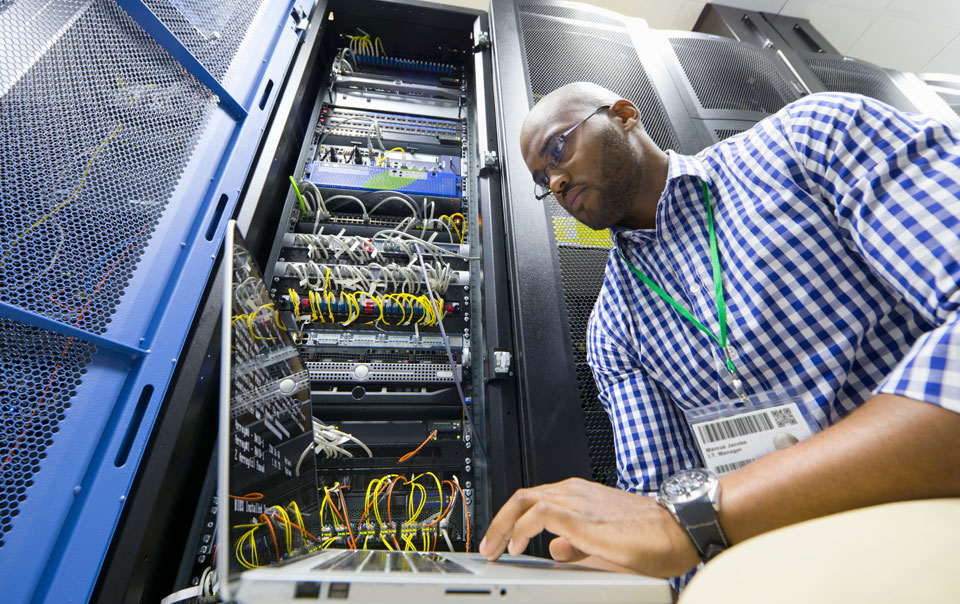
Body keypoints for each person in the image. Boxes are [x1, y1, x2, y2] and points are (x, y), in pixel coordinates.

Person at [478, 82, 960, 591]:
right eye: (541, 177)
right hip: (784, 569)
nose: (555, 181)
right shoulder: (612, 328)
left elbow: (676, 521)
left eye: (558, 148)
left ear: (623, 116)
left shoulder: (809, 140)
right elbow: (654, 507)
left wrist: (697, 514)